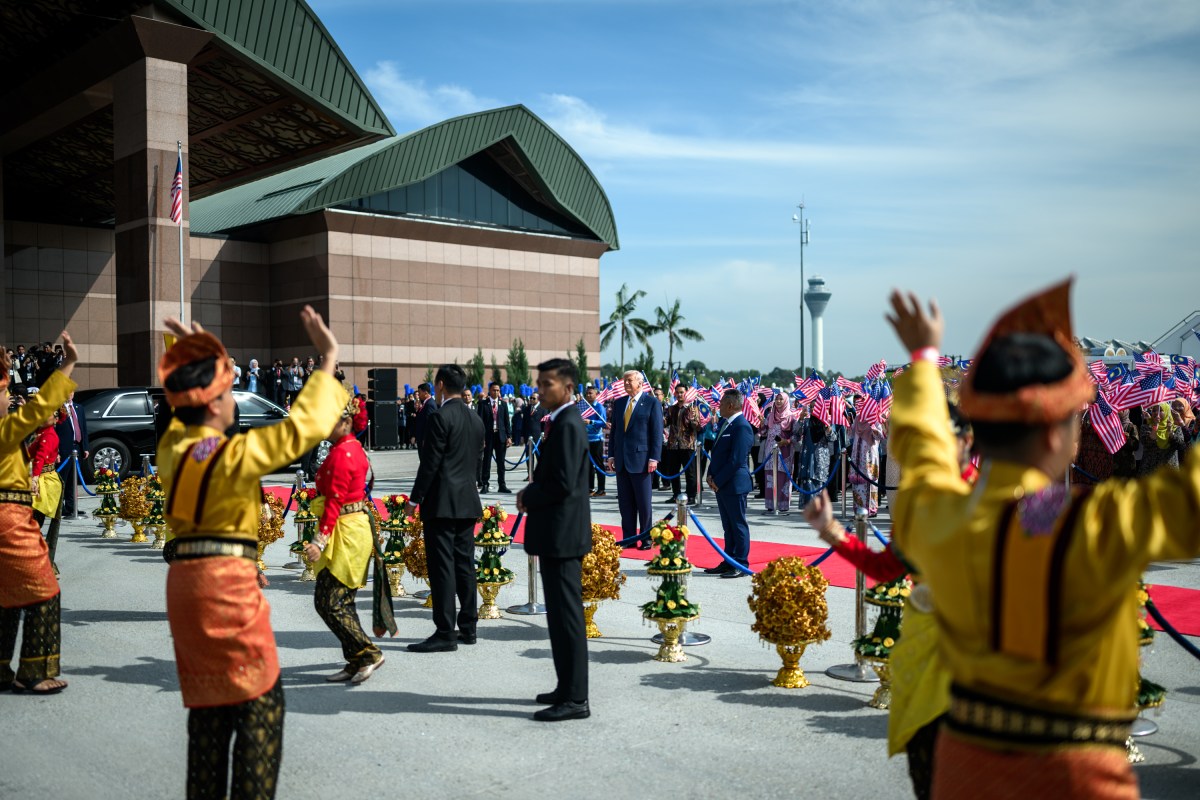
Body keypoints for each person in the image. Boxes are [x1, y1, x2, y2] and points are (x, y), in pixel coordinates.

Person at [886, 281, 1200, 799]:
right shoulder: (1093, 521)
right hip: (1073, 776)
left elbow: (920, 446)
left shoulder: (938, 513)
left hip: (963, 769)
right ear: (1059, 433)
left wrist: (922, 359)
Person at [156, 307, 346, 800]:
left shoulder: (174, 447)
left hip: (185, 583)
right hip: (222, 583)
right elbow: (302, 428)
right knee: (260, 705)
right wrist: (328, 357)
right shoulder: (230, 453)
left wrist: (203, 354)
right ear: (216, 403)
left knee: (210, 709)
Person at [0, 334, 77, 696]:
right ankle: (35, 671)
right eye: (5, 395)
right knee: (43, 589)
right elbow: (38, 408)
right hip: (8, 519)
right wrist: (68, 364)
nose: (10, 401)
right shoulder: (3, 431)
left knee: (7, 594)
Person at [516, 358, 592, 722]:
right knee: (560, 619)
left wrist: (529, 495)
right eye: (539, 383)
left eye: (547, 383)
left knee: (567, 619)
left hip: (563, 536)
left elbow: (562, 484)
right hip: (557, 535)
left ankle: (576, 698)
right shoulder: (562, 421)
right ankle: (566, 686)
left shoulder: (568, 423)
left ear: (567, 387)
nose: (540, 389)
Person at [304, 396, 390, 685]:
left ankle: (368, 654)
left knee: (330, 602)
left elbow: (335, 501)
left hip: (347, 531)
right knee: (337, 601)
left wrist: (319, 541)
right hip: (348, 528)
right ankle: (355, 659)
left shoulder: (345, 453)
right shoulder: (345, 448)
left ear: (345, 422)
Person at [406, 365, 485, 653]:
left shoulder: (440, 417)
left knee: (442, 568)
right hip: (467, 501)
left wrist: (414, 500)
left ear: (440, 385)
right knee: (465, 564)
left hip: (441, 503)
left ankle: (444, 632)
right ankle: (469, 627)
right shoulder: (475, 418)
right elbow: (477, 462)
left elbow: (430, 463)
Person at [606, 371, 663, 549]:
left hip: (642, 460)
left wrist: (654, 458)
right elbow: (615, 431)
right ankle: (629, 539)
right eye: (625, 381)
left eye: (630, 381)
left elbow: (656, 433)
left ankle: (646, 539)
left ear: (640, 382)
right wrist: (612, 455)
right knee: (626, 504)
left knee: (644, 504)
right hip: (622, 461)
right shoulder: (620, 402)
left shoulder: (652, 402)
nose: (626, 384)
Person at [703, 389, 754, 577]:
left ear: (731, 405)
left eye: (722, 403)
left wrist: (718, 480)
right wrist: (710, 476)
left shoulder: (741, 426)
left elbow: (737, 460)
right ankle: (729, 559)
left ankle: (740, 563)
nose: (719, 406)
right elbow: (717, 454)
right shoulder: (726, 424)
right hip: (722, 484)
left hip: (734, 484)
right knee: (728, 526)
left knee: (737, 524)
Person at [662, 384, 702, 505]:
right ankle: (676, 494)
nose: (679, 394)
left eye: (682, 392)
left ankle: (691, 495)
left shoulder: (692, 408)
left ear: (686, 393)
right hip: (673, 444)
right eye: (677, 392)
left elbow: (698, 427)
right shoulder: (671, 409)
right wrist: (660, 416)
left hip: (687, 445)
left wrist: (693, 421)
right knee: (674, 472)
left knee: (690, 472)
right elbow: (665, 424)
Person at [758, 391, 795, 513]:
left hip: (784, 452)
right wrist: (761, 422)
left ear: (785, 401)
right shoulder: (770, 416)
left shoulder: (790, 416)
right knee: (770, 477)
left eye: (780, 399)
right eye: (777, 399)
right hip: (770, 451)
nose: (778, 402)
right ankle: (771, 504)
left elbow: (797, 436)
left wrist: (787, 441)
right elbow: (763, 432)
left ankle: (782, 505)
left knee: (782, 477)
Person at [54, 392, 88, 517]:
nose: (70, 394)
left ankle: (72, 507)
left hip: (77, 447)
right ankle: (59, 507)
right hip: (63, 449)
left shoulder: (79, 408)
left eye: (72, 391)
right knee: (62, 478)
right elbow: (54, 431)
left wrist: (85, 447)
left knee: (74, 479)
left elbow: (83, 428)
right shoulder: (58, 409)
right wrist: (56, 451)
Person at [848, 405, 885, 516]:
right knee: (857, 485)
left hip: (869, 457)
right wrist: (848, 425)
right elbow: (850, 434)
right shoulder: (857, 419)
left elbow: (880, 437)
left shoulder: (875, 419)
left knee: (870, 483)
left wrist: (874, 431)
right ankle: (858, 509)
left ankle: (871, 509)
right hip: (857, 456)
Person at [477, 382, 512, 494]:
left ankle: (502, 484)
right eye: (493, 390)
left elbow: (507, 422)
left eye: (497, 390)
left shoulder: (503, 404)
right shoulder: (483, 404)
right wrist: (481, 438)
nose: (496, 392)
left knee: (501, 462)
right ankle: (485, 484)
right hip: (488, 436)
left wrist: (509, 436)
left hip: (500, 436)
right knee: (486, 461)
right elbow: (480, 422)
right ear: (490, 390)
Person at [29, 412, 61, 528]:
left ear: (55, 419)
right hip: (36, 474)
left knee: (35, 514)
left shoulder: (49, 435)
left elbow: (40, 458)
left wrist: (35, 479)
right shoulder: (41, 432)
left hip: (43, 478)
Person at [581, 386, 607, 497]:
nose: (588, 395)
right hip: (585, 440)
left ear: (597, 394)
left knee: (598, 465)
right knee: (587, 465)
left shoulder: (599, 407)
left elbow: (604, 423)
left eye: (591, 393)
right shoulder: (584, 407)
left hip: (596, 440)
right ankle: (589, 488)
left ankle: (601, 489)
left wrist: (590, 422)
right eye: (587, 393)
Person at [410, 383, 435, 450]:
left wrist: (425, 439)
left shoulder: (430, 404)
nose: (418, 395)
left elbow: (429, 424)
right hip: (421, 438)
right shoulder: (425, 403)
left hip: (425, 440)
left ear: (426, 393)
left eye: (420, 393)